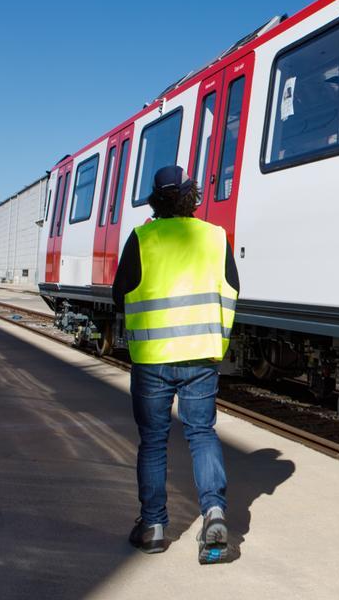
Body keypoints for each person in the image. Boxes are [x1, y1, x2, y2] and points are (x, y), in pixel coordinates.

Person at [112, 164, 240, 565]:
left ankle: (153, 527)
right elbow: (234, 288)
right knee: (202, 433)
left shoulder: (141, 238)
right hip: (201, 354)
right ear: (191, 196)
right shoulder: (215, 237)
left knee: (153, 441)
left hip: (152, 360)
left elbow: (120, 295)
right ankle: (214, 516)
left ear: (155, 199)